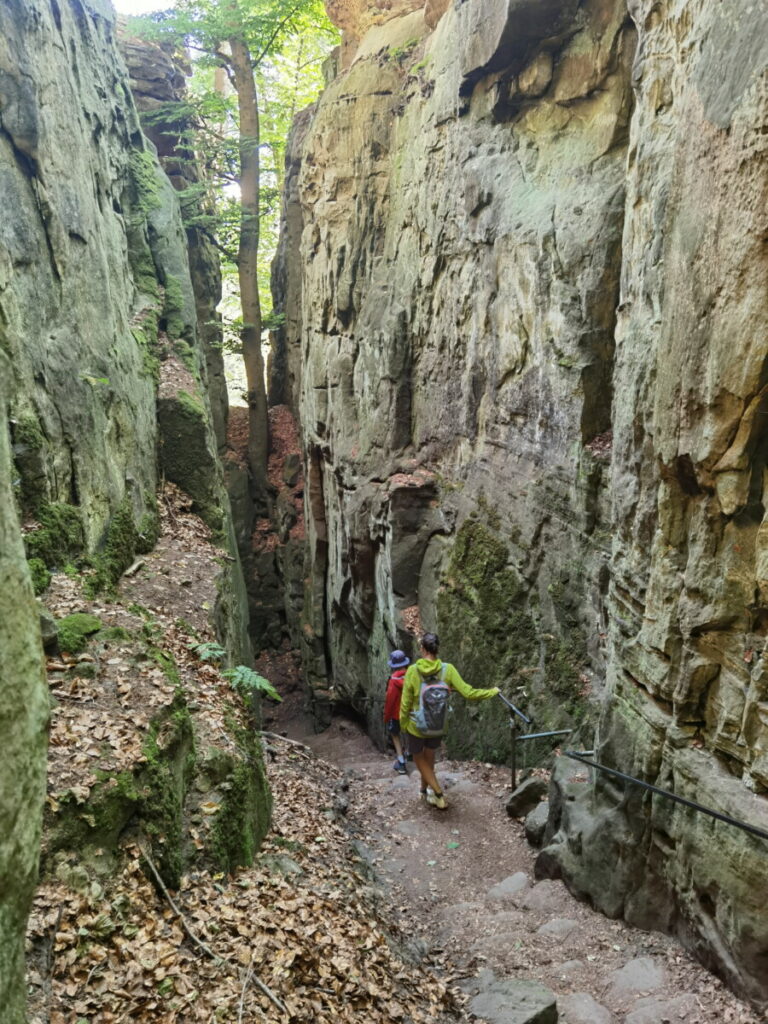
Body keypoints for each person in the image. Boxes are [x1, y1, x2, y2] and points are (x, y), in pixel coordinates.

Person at [399, 632, 499, 809]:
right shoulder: (448, 669)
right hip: (438, 723)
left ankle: (437, 792)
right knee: (429, 756)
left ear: (422, 649)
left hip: (417, 725)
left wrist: (403, 723)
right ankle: (424, 791)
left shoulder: (413, 671)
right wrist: (491, 692)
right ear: (437, 649)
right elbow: (468, 693)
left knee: (418, 757)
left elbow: (405, 702)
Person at [384, 649, 410, 774]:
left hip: (396, 714)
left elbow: (390, 700)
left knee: (395, 735)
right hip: (410, 711)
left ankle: (401, 763)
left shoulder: (393, 681)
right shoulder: (412, 676)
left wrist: (386, 716)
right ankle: (410, 753)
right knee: (409, 732)